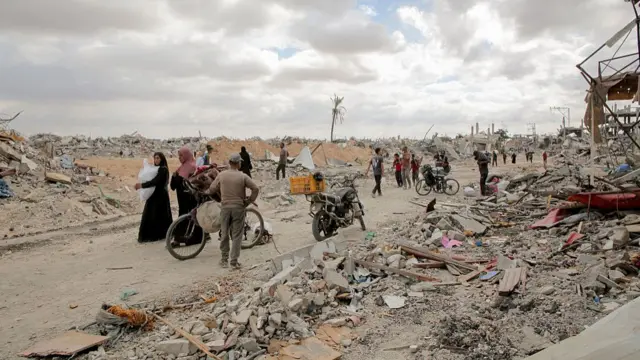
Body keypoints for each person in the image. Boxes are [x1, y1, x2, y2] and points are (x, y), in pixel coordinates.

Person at [208, 153, 260, 269]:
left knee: (224, 233)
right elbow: (255, 189)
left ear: (230, 163)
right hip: (238, 208)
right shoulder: (243, 176)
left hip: (225, 208)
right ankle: (234, 262)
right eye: (240, 162)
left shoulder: (222, 175)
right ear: (238, 163)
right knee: (237, 235)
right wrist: (248, 201)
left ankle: (223, 259)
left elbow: (212, 189)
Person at [135, 152, 173, 243]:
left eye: (158, 158)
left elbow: (155, 181)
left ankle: (156, 236)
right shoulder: (159, 169)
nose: (156, 160)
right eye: (155, 158)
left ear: (162, 159)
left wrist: (142, 185)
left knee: (156, 215)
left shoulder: (163, 169)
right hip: (155, 195)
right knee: (153, 215)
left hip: (160, 196)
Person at [169, 147, 203, 246]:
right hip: (182, 198)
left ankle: (185, 238)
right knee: (185, 215)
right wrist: (175, 177)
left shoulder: (192, 166)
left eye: (181, 155)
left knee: (190, 215)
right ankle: (180, 238)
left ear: (187, 155)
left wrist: (176, 177)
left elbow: (181, 182)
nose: (179, 158)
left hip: (190, 197)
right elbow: (173, 186)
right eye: (178, 156)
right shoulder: (181, 167)